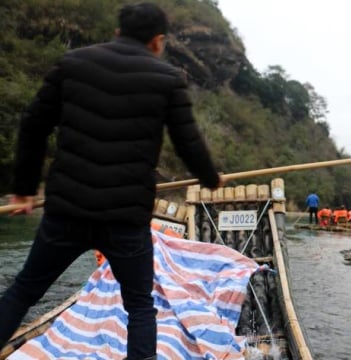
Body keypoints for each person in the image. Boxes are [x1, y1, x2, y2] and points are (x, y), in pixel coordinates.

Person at [0, 3, 223, 360]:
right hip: (125, 220)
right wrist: (211, 178)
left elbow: (33, 125)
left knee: (24, 290)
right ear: (158, 41)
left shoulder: (71, 64)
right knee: (139, 305)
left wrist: (25, 188)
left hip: (66, 212)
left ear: (118, 32)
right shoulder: (167, 79)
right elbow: (188, 143)